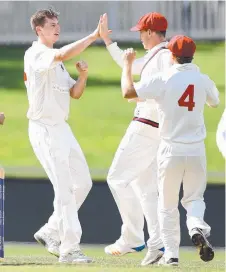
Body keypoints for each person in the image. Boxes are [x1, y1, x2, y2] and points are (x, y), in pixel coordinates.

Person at [121, 35, 219, 266]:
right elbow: (214, 102)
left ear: (172, 55)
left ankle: (172, 255)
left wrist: (126, 66)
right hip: (196, 150)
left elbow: (128, 92)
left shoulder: (163, 78)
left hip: (170, 149)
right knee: (195, 198)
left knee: (166, 205)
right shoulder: (202, 79)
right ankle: (196, 226)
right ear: (192, 55)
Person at [24, 8, 101, 264]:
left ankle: (50, 230)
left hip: (62, 129)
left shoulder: (56, 64)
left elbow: (75, 93)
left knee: (84, 183)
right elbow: (60, 53)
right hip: (44, 128)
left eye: (58, 24)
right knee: (65, 188)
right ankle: (70, 249)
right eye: (52, 25)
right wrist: (92, 37)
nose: (57, 28)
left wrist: (83, 76)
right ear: (39, 30)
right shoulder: (36, 54)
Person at [99, 12, 172, 265]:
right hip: (154, 129)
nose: (140, 36)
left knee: (117, 178)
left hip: (146, 126)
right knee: (145, 189)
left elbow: (143, 89)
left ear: (151, 33)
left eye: (142, 32)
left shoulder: (163, 57)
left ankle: (132, 237)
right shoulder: (158, 55)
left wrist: (139, 92)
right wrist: (108, 42)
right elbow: (128, 64)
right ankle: (158, 244)